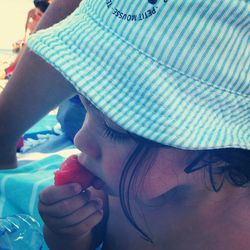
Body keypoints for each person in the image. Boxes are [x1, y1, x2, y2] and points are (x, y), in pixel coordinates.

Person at [1, 0, 250, 249]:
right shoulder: (109, 189)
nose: (80, 140)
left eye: (115, 128)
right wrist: (68, 231)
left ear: (218, 144)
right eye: (87, 109)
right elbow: (83, 244)